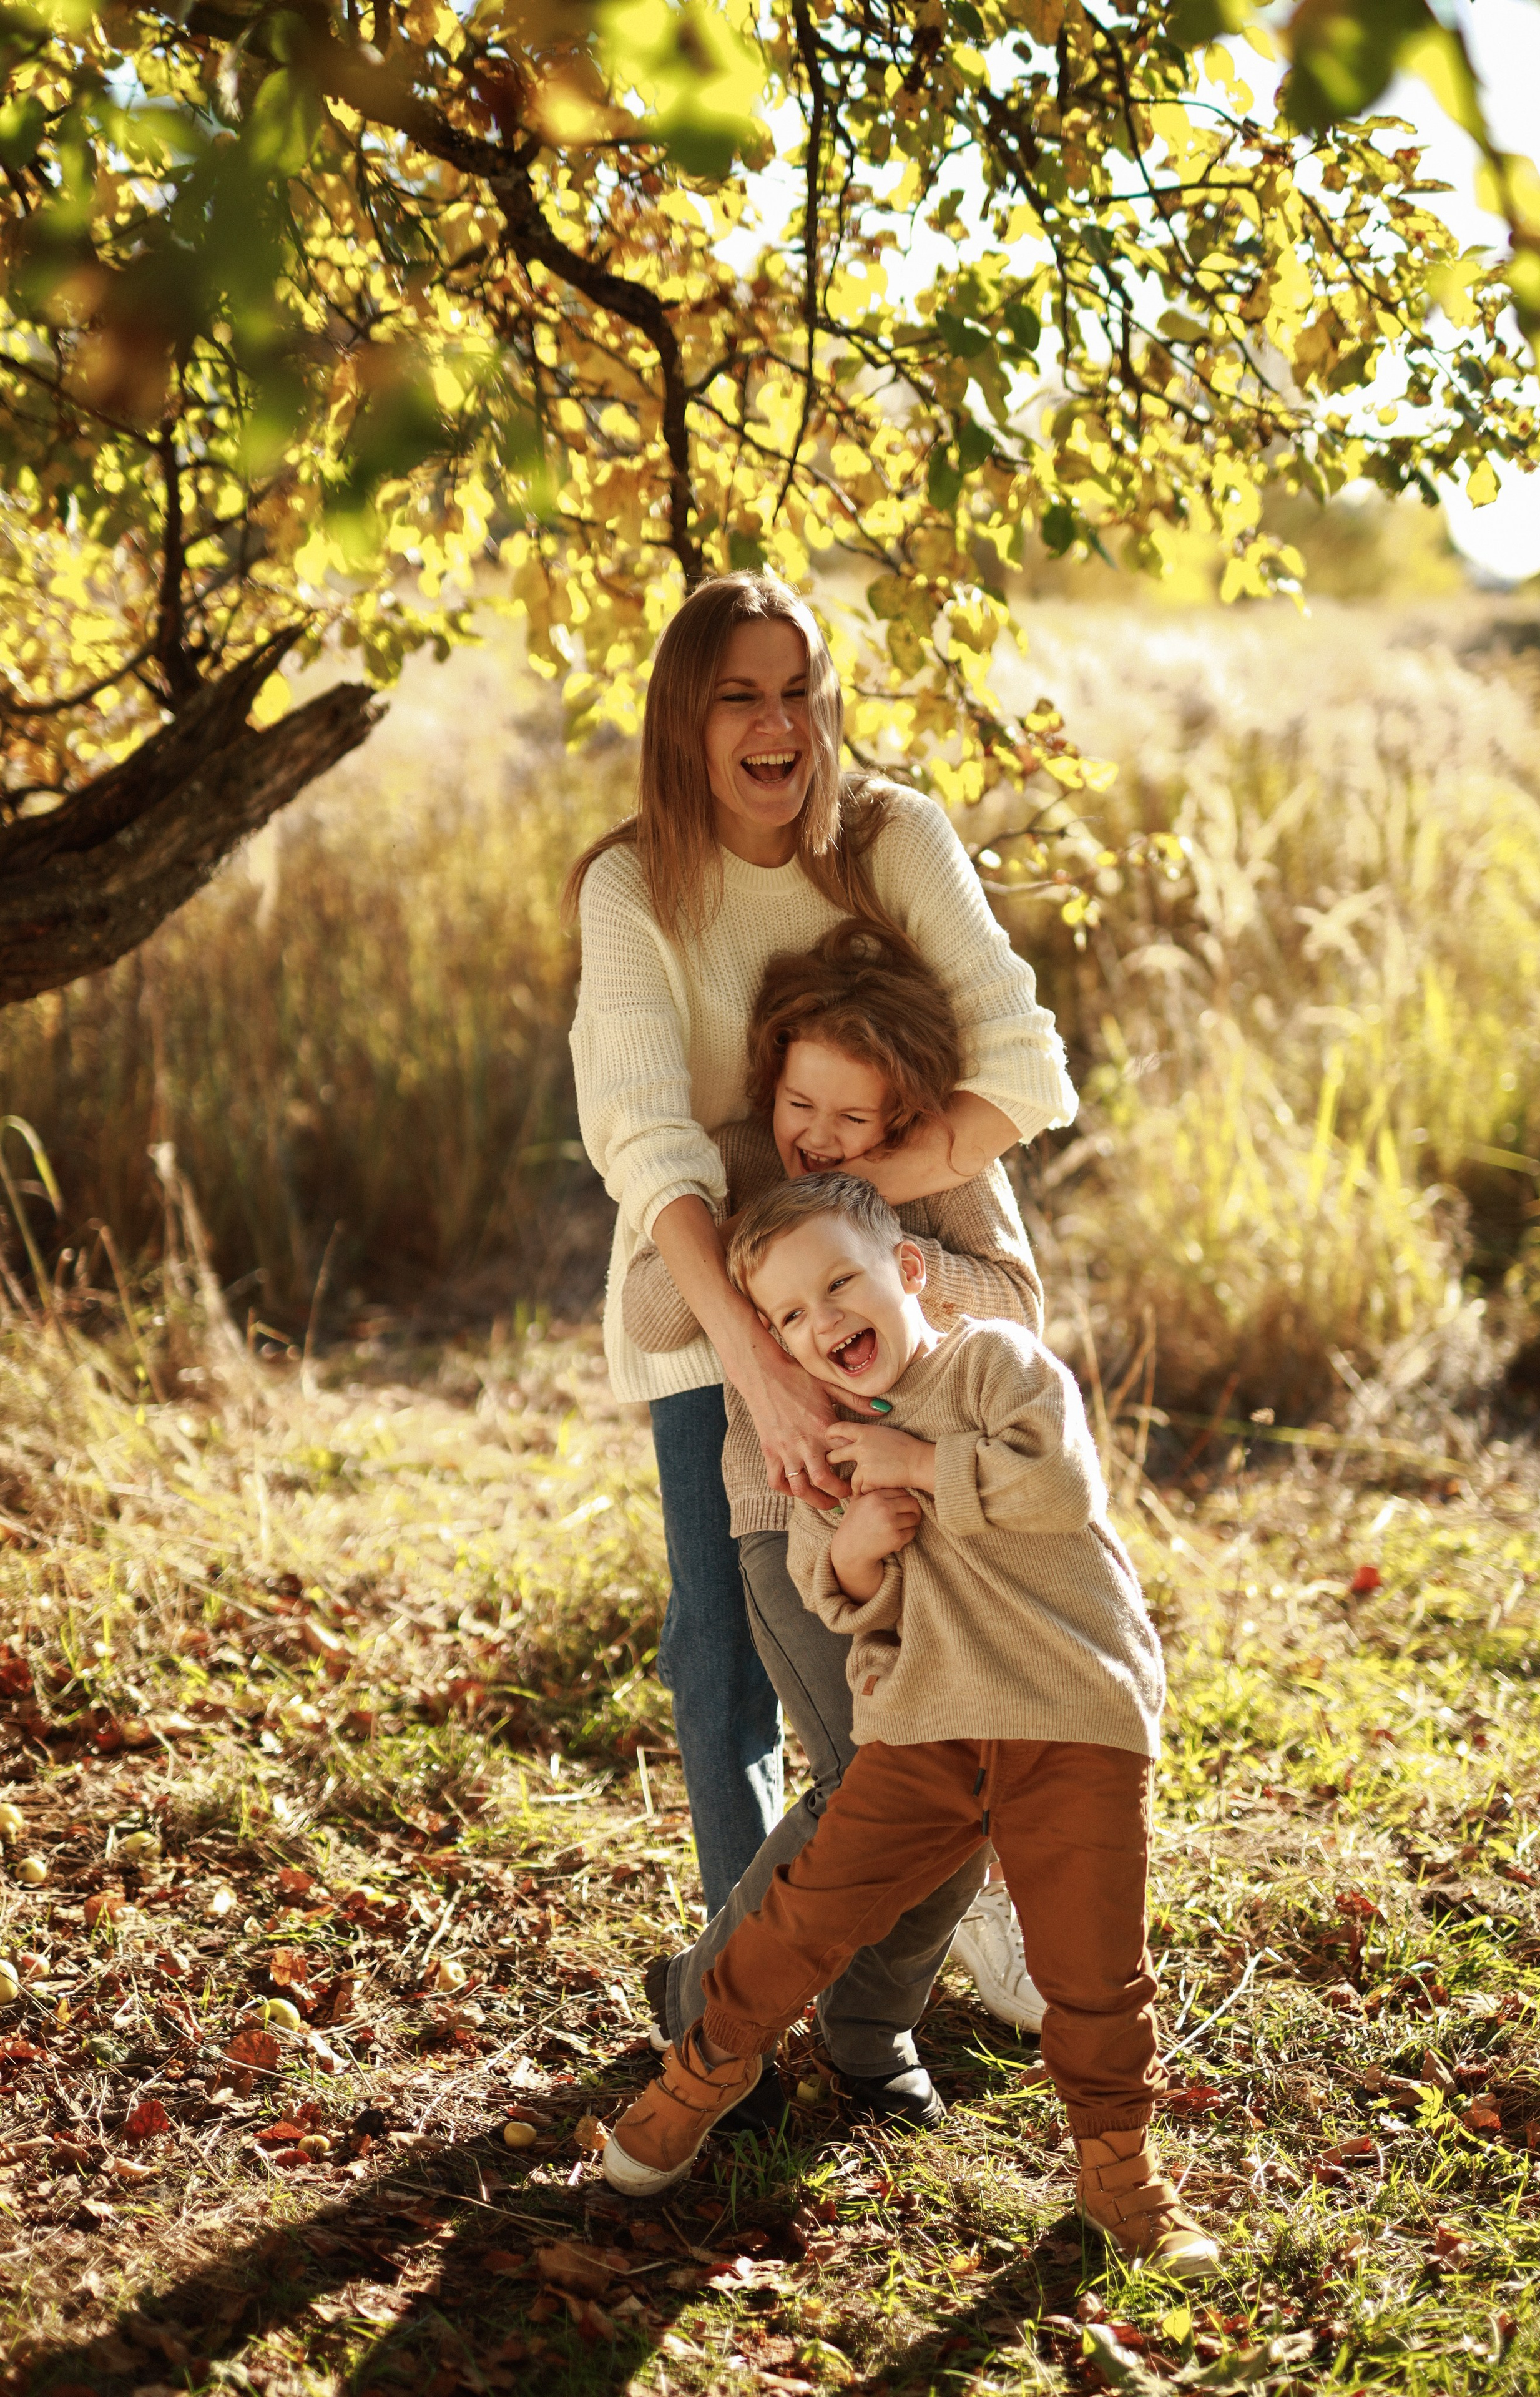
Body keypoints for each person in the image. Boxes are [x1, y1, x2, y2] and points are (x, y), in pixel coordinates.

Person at [566, 574, 1074, 2021]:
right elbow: (647, 1142)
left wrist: (855, 1222)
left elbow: (1023, 1069)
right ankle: (749, 1997)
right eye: (739, 694)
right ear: (686, 718)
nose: (776, 723)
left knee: (952, 1625)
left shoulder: (886, 837)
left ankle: (919, 1934)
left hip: (886, 1281)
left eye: (797, 690)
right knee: (721, 1655)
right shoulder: (633, 886)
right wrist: (757, 1348)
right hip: (697, 1290)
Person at [600, 1174, 1219, 2285]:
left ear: (911, 1272)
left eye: (842, 1283)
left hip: (1068, 1714)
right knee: (809, 1908)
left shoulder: (995, 1364)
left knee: (1093, 1964)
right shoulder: (831, 1434)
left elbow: (1064, 1485)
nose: (823, 1322)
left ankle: (1119, 2167)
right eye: (790, 1315)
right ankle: (705, 2070)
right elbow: (823, 1584)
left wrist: (924, 1468)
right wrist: (852, 1549)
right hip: (928, 1726)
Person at [620, 919, 1049, 2124]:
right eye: (801, 1100)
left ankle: (870, 2034)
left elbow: (1019, 1295)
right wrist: (771, 1264)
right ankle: (707, 1993)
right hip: (792, 1511)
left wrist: (875, 1240)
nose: (816, 1135)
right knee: (878, 1772)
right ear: (773, 1080)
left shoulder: (941, 1164)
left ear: (902, 1112)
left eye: (850, 1121)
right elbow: (657, 1308)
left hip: (948, 1520)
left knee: (964, 1782)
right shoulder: (741, 1161)